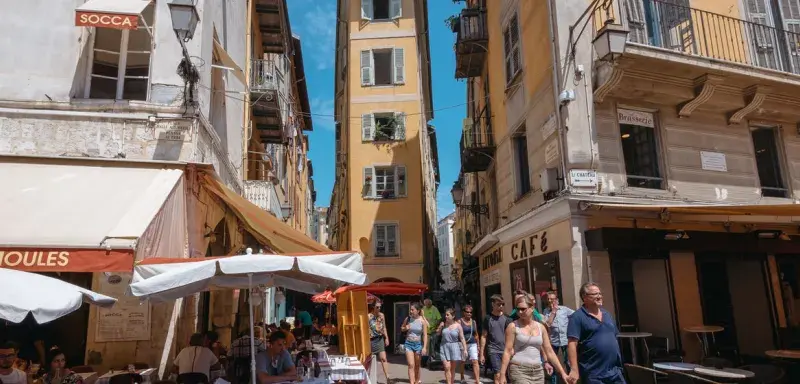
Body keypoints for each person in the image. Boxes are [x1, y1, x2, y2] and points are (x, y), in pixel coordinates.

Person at [499, 294, 570, 384]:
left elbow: (549, 351)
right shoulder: (513, 326)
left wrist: (562, 372)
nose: (520, 312)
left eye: (523, 309)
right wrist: (502, 374)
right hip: (519, 370)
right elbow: (507, 351)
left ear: (532, 308)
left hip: (538, 371)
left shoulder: (541, 327)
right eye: (518, 309)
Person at [567, 283, 624, 384]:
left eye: (600, 293)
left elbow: (613, 337)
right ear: (584, 297)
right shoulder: (577, 317)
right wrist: (574, 370)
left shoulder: (607, 314)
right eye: (595, 294)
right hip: (593, 373)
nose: (599, 296)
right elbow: (572, 344)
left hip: (614, 371)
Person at [543, 292, 574, 384]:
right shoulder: (546, 311)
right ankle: (554, 382)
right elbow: (548, 324)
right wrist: (553, 312)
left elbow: (576, 316)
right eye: (548, 299)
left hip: (565, 340)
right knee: (553, 363)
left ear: (557, 300)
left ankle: (570, 380)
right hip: (554, 341)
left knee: (568, 362)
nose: (550, 301)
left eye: (552, 299)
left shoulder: (565, 309)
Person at [480, 295, 511, 384]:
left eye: (502, 304)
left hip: (505, 350)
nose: (501, 306)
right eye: (498, 304)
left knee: (505, 375)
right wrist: (482, 354)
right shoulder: (488, 318)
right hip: (493, 350)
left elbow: (511, 336)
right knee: (497, 374)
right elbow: (483, 336)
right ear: (493, 304)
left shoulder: (507, 318)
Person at [437, 309, 467, 384]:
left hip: (454, 347)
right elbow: (437, 334)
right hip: (444, 346)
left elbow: (462, 338)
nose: (446, 316)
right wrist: (440, 327)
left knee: (452, 368)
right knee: (447, 367)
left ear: (453, 316)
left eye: (448, 315)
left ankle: (451, 382)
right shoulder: (443, 324)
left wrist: (465, 349)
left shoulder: (458, 326)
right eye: (446, 315)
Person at [401, 303, 428, 384]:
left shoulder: (422, 321)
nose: (411, 311)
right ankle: (412, 382)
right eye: (411, 309)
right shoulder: (408, 319)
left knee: (417, 365)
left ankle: (417, 381)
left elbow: (425, 335)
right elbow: (402, 328)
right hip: (408, 344)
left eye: (413, 310)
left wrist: (424, 347)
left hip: (418, 345)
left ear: (418, 311)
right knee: (411, 364)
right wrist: (405, 328)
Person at [368, 302, 391, 384]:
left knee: (383, 358)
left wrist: (387, 338)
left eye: (380, 307)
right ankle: (368, 378)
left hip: (380, 339)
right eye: (377, 307)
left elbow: (384, 327)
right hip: (371, 340)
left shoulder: (382, 315)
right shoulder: (369, 316)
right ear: (373, 307)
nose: (379, 309)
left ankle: (388, 378)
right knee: (369, 360)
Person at [459, 304, 481, 384]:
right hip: (463, 344)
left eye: (470, 312)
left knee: (475, 361)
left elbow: (476, 334)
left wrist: (478, 345)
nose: (469, 314)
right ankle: (462, 376)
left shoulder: (473, 322)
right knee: (463, 361)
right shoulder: (460, 321)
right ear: (463, 312)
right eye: (467, 312)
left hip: (473, 343)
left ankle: (477, 380)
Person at [422, 298, 441, 363]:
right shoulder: (423, 309)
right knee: (426, 347)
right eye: (427, 304)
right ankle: (424, 361)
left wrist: (436, 325)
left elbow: (439, 319)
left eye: (429, 304)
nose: (428, 305)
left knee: (432, 347)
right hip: (425, 332)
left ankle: (431, 361)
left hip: (432, 331)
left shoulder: (434, 309)